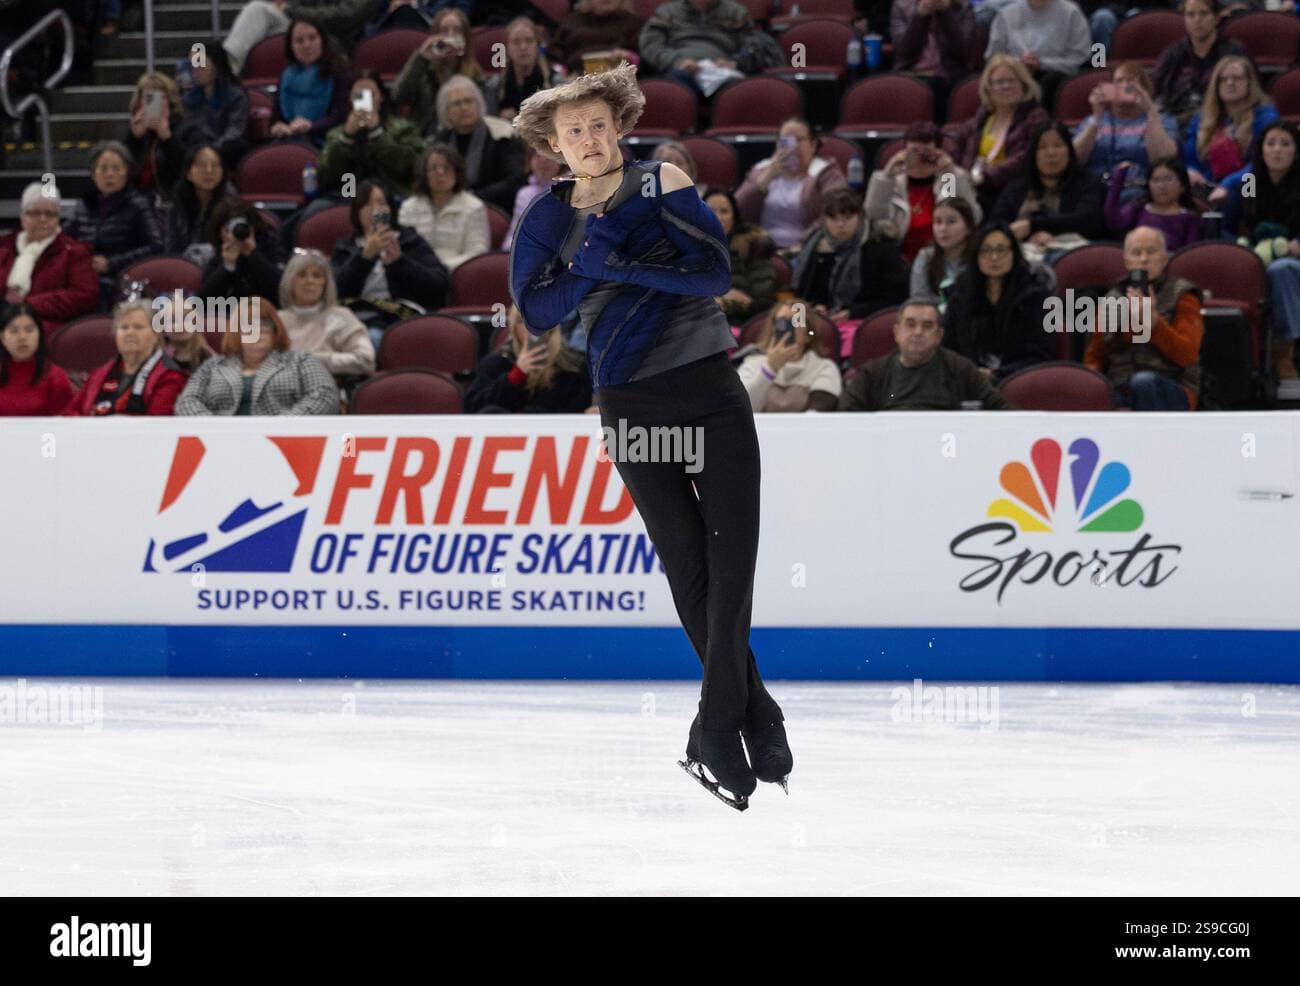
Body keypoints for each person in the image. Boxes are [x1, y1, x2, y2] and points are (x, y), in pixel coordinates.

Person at [509, 62, 790, 807]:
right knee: (688, 568)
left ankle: (715, 722)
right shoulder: (546, 215)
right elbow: (536, 313)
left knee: (732, 567)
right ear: (553, 143)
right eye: (574, 131)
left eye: (599, 124)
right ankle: (753, 711)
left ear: (621, 126)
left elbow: (711, 274)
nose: (590, 139)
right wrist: (584, 275)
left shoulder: (662, 183)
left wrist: (623, 265)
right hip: (629, 406)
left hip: (708, 391)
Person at [1084, 226, 1204, 408]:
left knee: (1143, 382)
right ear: (1126, 261)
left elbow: (1188, 355)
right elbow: (1095, 357)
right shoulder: (1112, 298)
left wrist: (1154, 322)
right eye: (1136, 253)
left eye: (1152, 252)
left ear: (1164, 259)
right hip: (1120, 386)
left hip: (1171, 384)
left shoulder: (1183, 295)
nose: (1144, 259)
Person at [332, 179, 451, 341]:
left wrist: (399, 262)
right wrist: (364, 258)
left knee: (373, 338)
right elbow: (333, 291)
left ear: (391, 209)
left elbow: (439, 286)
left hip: (399, 317)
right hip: (355, 316)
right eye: (367, 205)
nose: (375, 210)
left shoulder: (409, 240)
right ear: (357, 212)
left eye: (381, 204)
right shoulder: (346, 247)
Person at [176, 297, 339, 415]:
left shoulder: (301, 361)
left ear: (276, 331)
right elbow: (187, 401)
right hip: (222, 445)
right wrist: (216, 428)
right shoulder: (212, 366)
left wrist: (284, 425)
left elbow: (325, 395)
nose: (257, 331)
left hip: (286, 444)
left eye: (264, 325)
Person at [840, 299, 1012, 410]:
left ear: (939, 336)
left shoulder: (960, 369)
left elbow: (1003, 411)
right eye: (910, 324)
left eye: (927, 326)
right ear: (896, 332)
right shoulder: (872, 374)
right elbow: (845, 418)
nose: (918, 332)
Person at [1226, 122, 1300, 379]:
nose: (1277, 150)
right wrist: (1240, 246)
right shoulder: (1250, 182)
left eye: (1285, 144)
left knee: (1282, 269)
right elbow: (1233, 222)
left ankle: (1285, 352)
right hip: (1255, 255)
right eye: (1271, 144)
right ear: (1262, 149)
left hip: (1293, 259)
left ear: (1296, 150)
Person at [942, 222, 1056, 382]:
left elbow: (1042, 354)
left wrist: (996, 375)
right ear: (976, 256)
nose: (994, 257)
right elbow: (947, 348)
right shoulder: (961, 296)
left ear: (1013, 253)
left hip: (1021, 381)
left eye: (1001, 250)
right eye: (986, 251)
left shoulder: (1036, 296)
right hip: (969, 382)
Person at [944, 55, 1051, 214]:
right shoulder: (981, 119)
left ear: (1023, 84)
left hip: (1011, 193)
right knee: (946, 184)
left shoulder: (1036, 118)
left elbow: (1024, 158)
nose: (1006, 86)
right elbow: (954, 148)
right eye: (999, 82)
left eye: (1012, 81)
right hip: (973, 189)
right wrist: (945, 164)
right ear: (989, 88)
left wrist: (984, 177)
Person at [65, 142, 165, 305]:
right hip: (84, 273)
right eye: (103, 169)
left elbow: (155, 246)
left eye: (117, 169)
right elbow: (64, 240)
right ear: (93, 173)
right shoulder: (83, 205)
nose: (109, 174)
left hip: (122, 276)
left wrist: (112, 263)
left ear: (126, 172)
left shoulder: (138, 205)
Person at [791, 188, 909, 325]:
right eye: (833, 218)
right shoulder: (816, 246)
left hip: (865, 322)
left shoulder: (880, 247)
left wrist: (852, 312)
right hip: (818, 321)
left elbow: (895, 299)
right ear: (824, 220)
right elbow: (804, 292)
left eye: (847, 218)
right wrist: (816, 306)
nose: (840, 225)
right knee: (791, 325)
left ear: (860, 217)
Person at [866, 121, 979, 263]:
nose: (920, 160)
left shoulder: (945, 180)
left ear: (939, 153)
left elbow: (971, 216)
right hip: (898, 259)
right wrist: (887, 176)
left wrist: (950, 172)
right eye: (914, 153)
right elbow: (873, 215)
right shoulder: (893, 182)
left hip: (941, 259)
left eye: (926, 154)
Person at [735, 117, 849, 253]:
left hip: (807, 251)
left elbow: (836, 213)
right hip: (761, 251)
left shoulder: (827, 173)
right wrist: (764, 181)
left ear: (813, 145)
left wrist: (803, 246)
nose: (792, 148)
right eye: (786, 141)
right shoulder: (761, 170)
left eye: (799, 140)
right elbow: (736, 212)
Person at [0, 181, 98, 336]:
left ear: (58, 218)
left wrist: (28, 304)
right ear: (23, 217)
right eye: (35, 213)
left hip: (46, 323)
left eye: (50, 214)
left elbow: (84, 295)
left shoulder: (74, 252)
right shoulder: (5, 247)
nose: (43, 219)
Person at [1072, 62, 1179, 204]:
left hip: (1138, 190)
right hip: (1094, 189)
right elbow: (1074, 160)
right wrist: (1097, 119)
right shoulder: (1092, 120)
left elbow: (1164, 159)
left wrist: (1150, 112)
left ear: (1144, 89)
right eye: (1119, 81)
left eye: (1131, 82)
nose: (1124, 86)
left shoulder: (1162, 121)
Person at [991, 121, 1107, 245]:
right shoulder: (1018, 186)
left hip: (1069, 251)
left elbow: (1086, 220)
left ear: (1069, 151)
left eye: (1058, 146)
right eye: (1042, 147)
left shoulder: (1088, 182)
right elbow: (996, 222)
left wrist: (1033, 226)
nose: (1051, 153)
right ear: (1033, 154)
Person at [638, 0, 783, 98]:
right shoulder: (667, 12)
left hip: (722, 72)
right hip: (681, 69)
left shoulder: (735, 12)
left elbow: (753, 47)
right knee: (671, 89)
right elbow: (651, 44)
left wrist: (736, 62)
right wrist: (675, 61)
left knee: (740, 92)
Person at [67, 300, 188, 416]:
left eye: (138, 327)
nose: (130, 333)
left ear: (157, 335)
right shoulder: (99, 374)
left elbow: (155, 426)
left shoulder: (170, 377)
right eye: (124, 328)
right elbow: (72, 413)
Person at [425, 75, 526, 212]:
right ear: (446, 111)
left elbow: (515, 180)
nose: (464, 108)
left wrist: (473, 198)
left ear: (479, 104)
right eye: (457, 103)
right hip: (449, 206)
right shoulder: (441, 140)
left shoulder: (501, 134)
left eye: (468, 101)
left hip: (494, 208)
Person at [465, 305, 593, 413]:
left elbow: (573, 412)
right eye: (522, 321)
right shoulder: (498, 362)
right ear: (514, 328)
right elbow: (474, 408)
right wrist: (516, 375)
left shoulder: (574, 365)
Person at [317, 74, 425, 196]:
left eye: (370, 95)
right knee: (314, 210)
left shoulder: (404, 128)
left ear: (381, 97)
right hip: (348, 195)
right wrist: (346, 138)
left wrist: (377, 134)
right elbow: (324, 178)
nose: (365, 100)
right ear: (350, 99)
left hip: (392, 195)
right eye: (359, 95)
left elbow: (411, 168)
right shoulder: (336, 134)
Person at [277, 249, 376, 379]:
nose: (309, 281)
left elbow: (365, 360)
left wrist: (312, 359)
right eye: (302, 275)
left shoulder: (341, 317)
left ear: (325, 283)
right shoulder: (275, 319)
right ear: (290, 281)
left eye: (317, 276)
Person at [1184, 56, 1278, 193]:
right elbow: (1190, 158)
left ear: (1249, 83)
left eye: (1237, 78)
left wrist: (1229, 184)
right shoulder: (1201, 119)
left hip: (1249, 185)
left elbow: (1263, 162)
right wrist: (1190, 171)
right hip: (1207, 187)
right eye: (1223, 79)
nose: (1230, 83)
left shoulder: (1266, 117)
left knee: (1249, 187)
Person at [1151, 0, 1246, 129]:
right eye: (1190, 14)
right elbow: (1154, 91)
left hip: (1223, 122)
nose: (1197, 20)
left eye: (1203, 14)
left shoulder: (1234, 51)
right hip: (1178, 124)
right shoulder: (1172, 55)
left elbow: (1250, 91)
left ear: (1216, 18)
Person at [398, 144, 491, 272]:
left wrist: (441, 268)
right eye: (434, 168)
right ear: (424, 174)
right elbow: (402, 248)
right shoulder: (409, 207)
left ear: (457, 172)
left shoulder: (474, 207)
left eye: (446, 168)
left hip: (457, 275)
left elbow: (477, 252)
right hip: (415, 276)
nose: (440, 173)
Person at [735, 300, 843, 412]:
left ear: (808, 334)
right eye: (781, 322)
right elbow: (742, 411)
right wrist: (770, 370)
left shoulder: (824, 367)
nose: (788, 329)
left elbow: (818, 412)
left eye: (795, 322)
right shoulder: (752, 364)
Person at [984, 0, 1091, 110]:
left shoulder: (1071, 12)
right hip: (1014, 72)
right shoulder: (1006, 14)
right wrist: (1017, 64)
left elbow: (1079, 56)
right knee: (1000, 82)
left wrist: (1041, 63)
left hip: (1055, 74)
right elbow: (993, 56)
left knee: (1050, 82)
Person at [393, 7, 485, 133]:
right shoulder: (423, 67)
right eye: (444, 30)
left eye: (457, 30)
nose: (450, 35)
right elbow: (399, 97)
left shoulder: (475, 75)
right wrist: (421, 58)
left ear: (465, 37)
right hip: (427, 136)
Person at [222, 0, 374, 75]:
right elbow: (296, 5)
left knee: (262, 13)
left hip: (335, 38)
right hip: (303, 25)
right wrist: (290, 8)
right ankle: (224, 70)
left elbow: (347, 16)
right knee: (257, 9)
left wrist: (291, 10)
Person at [890, 0, 980, 121]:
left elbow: (964, 53)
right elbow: (903, 53)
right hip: (912, 75)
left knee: (938, 86)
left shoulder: (963, 7)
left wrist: (946, 14)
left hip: (950, 77)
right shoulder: (901, 6)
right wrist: (920, 17)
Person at [268, 17, 351, 142]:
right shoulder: (286, 75)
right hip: (290, 137)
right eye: (299, 41)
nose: (306, 45)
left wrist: (311, 126)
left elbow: (341, 116)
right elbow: (276, 118)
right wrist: (278, 126)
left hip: (327, 139)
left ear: (322, 40)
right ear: (291, 46)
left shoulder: (340, 72)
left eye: (312, 38)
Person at [703, 186, 776, 324]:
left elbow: (762, 302)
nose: (718, 217)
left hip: (738, 323)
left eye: (724, 211)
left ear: (734, 217)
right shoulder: (685, 246)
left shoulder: (753, 246)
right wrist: (717, 300)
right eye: (711, 211)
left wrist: (726, 305)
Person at [176, 40, 250, 170]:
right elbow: (185, 130)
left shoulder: (235, 95)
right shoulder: (189, 97)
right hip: (194, 151)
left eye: (200, 63)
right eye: (192, 64)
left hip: (223, 150)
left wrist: (211, 151)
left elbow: (235, 130)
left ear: (216, 64)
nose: (195, 69)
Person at [164, 144, 241, 267]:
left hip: (221, 270)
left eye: (215, 165)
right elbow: (171, 248)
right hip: (184, 270)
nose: (209, 170)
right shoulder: (178, 202)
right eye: (201, 165)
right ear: (188, 173)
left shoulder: (232, 203)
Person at [1104, 157, 1202, 250]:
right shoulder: (1139, 208)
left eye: (1168, 179)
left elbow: (1190, 253)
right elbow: (1114, 221)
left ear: (1183, 186)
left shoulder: (1190, 218)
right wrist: (1118, 180)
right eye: (1156, 180)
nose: (1161, 186)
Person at [199, 200, 283, 302]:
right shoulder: (215, 257)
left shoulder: (270, 249)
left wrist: (253, 254)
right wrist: (228, 266)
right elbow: (203, 302)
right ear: (220, 232)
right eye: (228, 228)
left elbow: (283, 292)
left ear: (253, 228)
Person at [0, 303, 74, 416]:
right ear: (2, 337)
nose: (22, 337)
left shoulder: (54, 376)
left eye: (29, 330)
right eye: (14, 331)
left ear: (39, 335)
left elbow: (67, 422)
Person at [484, 17, 561, 121]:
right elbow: (490, 124)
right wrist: (500, 121)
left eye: (529, 41)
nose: (523, 47)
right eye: (516, 42)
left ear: (537, 46)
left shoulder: (556, 83)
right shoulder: (495, 87)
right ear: (507, 48)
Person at [123, 72, 185, 202]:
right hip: (137, 199)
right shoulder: (134, 129)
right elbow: (123, 171)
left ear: (168, 100)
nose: (153, 104)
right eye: (148, 97)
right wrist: (134, 138)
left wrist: (168, 138)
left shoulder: (183, 127)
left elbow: (185, 170)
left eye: (158, 97)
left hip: (169, 200)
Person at [910, 195, 977, 308]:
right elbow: (919, 301)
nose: (943, 229)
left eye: (951, 222)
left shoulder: (979, 257)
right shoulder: (926, 256)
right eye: (938, 222)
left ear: (968, 227)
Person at [549, 0, 645, 76]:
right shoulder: (571, 22)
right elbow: (555, 56)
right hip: (576, 80)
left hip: (620, 80)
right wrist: (562, 74)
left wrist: (631, 58)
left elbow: (647, 63)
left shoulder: (635, 24)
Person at [503, 147, 563, 250]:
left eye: (549, 157)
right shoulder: (524, 194)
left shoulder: (569, 191)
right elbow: (514, 234)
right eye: (538, 156)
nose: (543, 161)